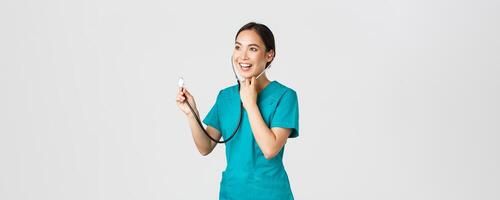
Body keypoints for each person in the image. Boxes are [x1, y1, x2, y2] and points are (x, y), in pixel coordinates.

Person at [176, 22, 299, 200]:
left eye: (253, 49)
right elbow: (205, 146)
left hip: (271, 194)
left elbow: (270, 149)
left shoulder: (285, 96)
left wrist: (250, 104)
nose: (243, 56)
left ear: (269, 55)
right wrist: (191, 113)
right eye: (238, 47)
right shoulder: (225, 97)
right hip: (231, 193)